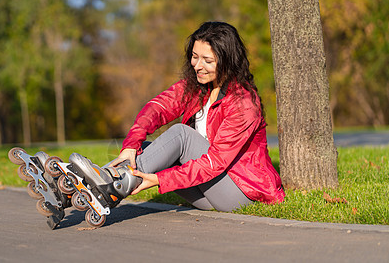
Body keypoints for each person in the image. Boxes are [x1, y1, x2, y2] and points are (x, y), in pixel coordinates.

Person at [106, 21, 285, 212]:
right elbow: (157, 108)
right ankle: (83, 190)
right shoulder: (197, 86)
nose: (198, 66)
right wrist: (131, 145)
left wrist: (160, 179)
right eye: (194, 56)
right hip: (207, 190)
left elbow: (214, 162)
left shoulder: (243, 103)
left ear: (227, 61)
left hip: (240, 193)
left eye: (207, 60)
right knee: (144, 150)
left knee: (181, 135)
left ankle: (107, 183)